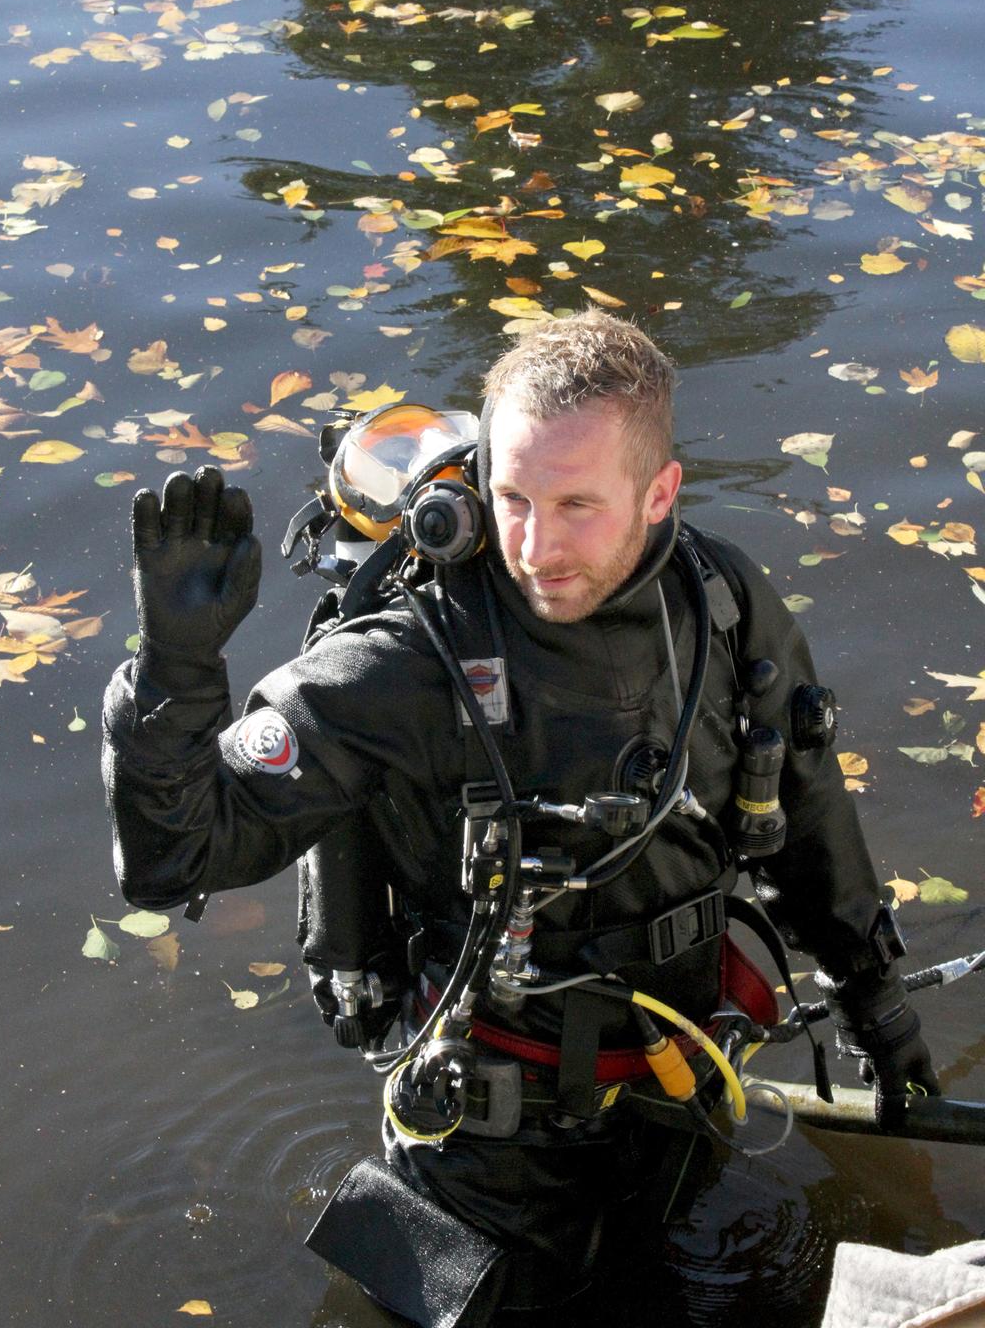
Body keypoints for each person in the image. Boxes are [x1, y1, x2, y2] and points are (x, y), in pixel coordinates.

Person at [102, 309, 938, 1328]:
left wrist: (877, 1011)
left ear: (659, 492)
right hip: (487, 1159)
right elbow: (175, 855)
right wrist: (175, 673)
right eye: (511, 499)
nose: (537, 546)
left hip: (679, 1099)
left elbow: (805, 815)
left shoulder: (719, 605)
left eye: (578, 504)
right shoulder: (416, 656)